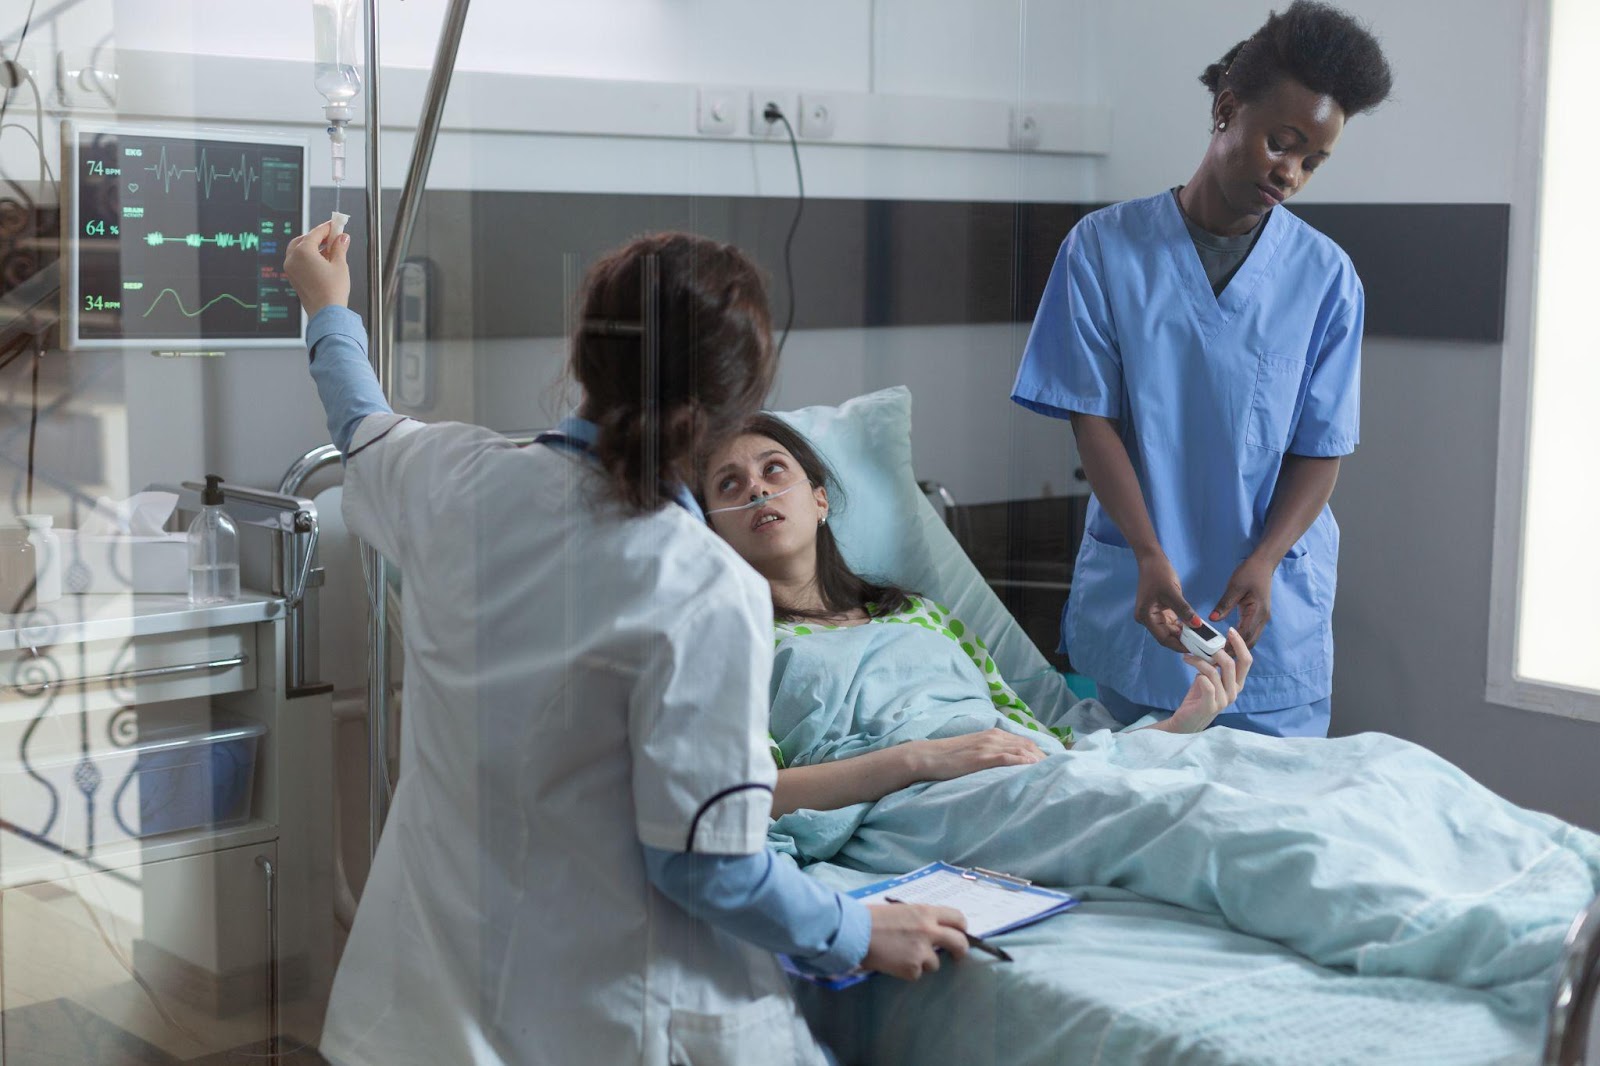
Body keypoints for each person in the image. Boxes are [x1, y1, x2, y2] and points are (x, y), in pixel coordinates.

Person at [282, 227, 970, 1066]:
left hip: (419, 1017)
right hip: (602, 1027)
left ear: (581, 357)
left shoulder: (454, 479)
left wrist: (327, 304)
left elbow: (359, 421)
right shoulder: (699, 585)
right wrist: (856, 930)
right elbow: (706, 868)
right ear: (733, 401)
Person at [699, 418, 1600, 1009]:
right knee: (1198, 819)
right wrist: (924, 761)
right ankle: (1521, 952)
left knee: (1364, 765)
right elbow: (753, 793)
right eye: (729, 487)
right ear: (710, 532)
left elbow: (1052, 738)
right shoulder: (732, 650)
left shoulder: (920, 613)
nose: (758, 492)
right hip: (927, 804)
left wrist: (1180, 728)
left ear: (820, 496)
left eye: (774, 469)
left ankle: (1570, 877)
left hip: (1034, 770)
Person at [1011, 1, 1394, 737]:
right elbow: (1093, 426)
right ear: (1226, 109)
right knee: (1129, 812)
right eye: (1281, 144)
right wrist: (1152, 556)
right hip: (1146, 597)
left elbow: (1322, 450)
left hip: (1267, 612)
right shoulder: (1101, 251)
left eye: (1313, 161)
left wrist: (1267, 562)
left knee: (1267, 827)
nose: (1292, 173)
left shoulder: (1327, 279)